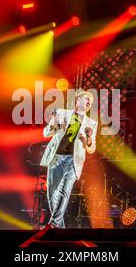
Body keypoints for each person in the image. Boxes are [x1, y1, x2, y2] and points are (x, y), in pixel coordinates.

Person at [40, 91, 98, 228]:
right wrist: (54, 120)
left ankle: (54, 223)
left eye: (91, 101)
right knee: (52, 192)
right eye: (86, 99)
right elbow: (46, 133)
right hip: (56, 157)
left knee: (64, 190)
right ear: (77, 100)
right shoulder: (62, 113)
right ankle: (60, 227)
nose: (89, 102)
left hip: (73, 161)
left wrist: (88, 138)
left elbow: (91, 148)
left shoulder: (91, 123)